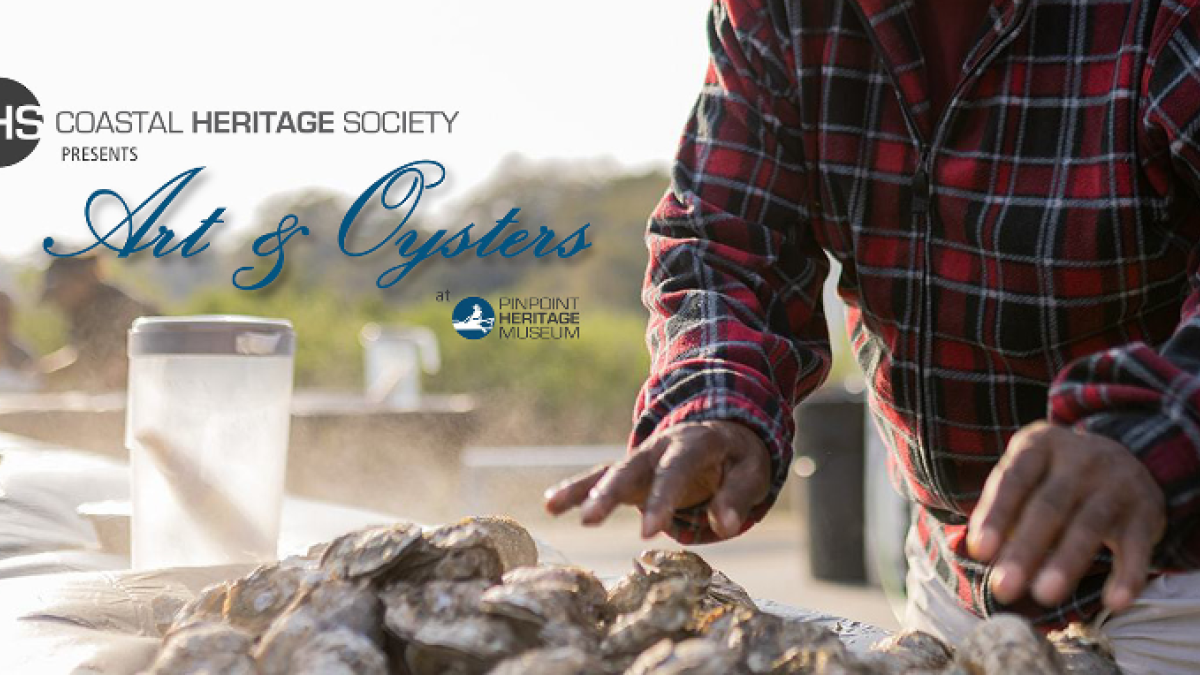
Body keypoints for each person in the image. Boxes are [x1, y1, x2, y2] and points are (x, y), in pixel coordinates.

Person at [545, 1, 1200, 672]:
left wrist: (1156, 437)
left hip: (1171, 580)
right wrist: (716, 402)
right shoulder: (779, 13)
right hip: (952, 576)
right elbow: (725, 241)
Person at [40, 256, 158, 390]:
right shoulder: (82, 311)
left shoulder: (116, 308)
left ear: (79, 281)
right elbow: (79, 351)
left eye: (60, 291)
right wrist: (44, 369)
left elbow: (95, 360)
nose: (58, 301)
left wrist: (46, 375)